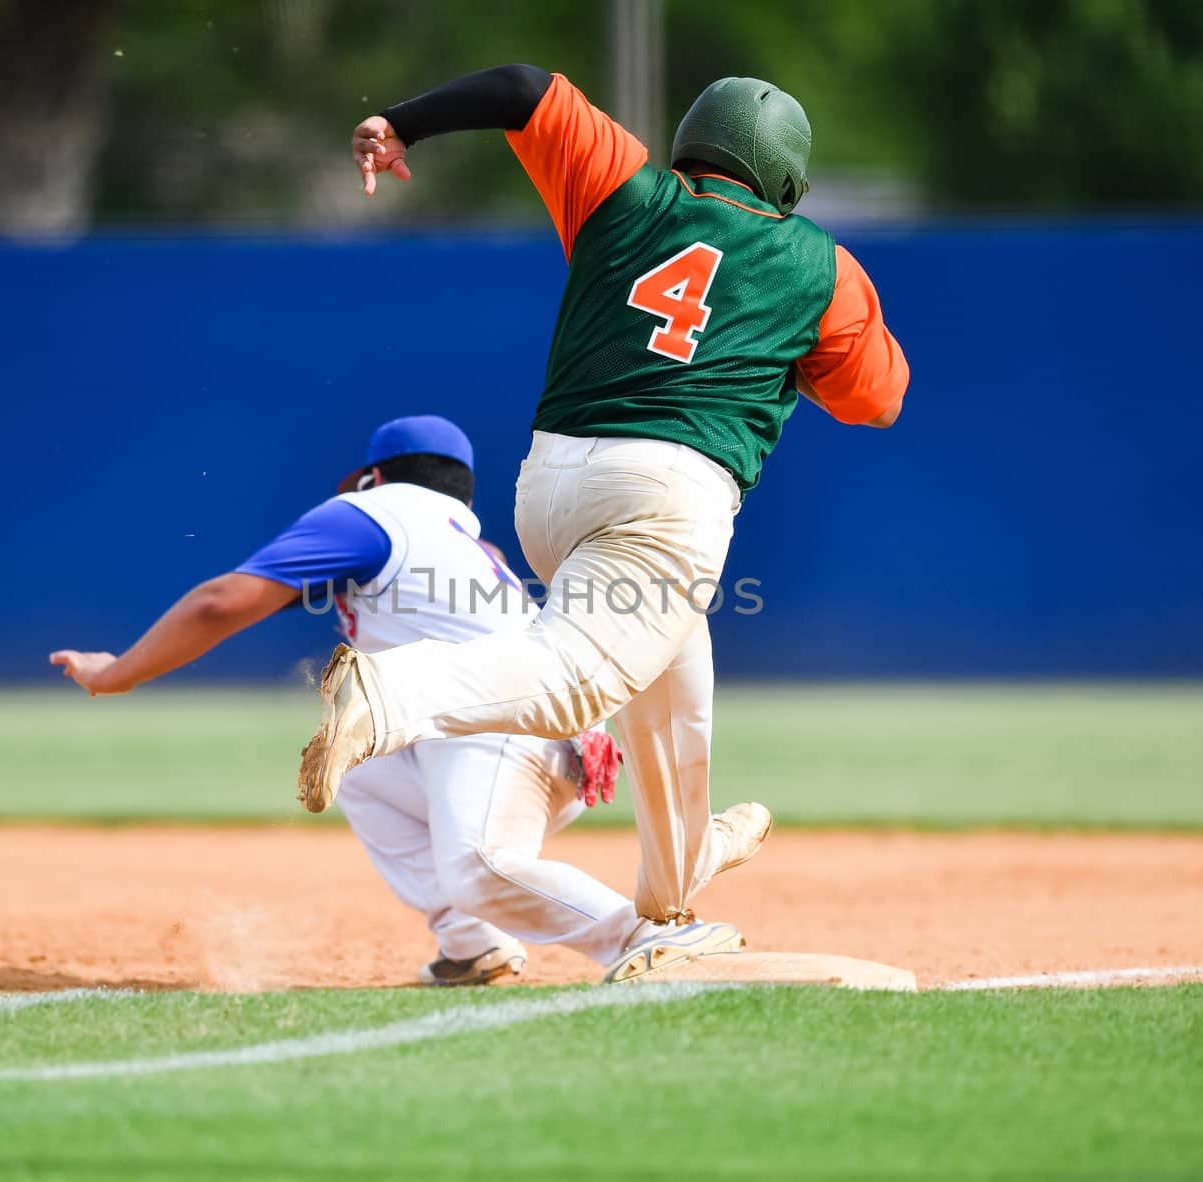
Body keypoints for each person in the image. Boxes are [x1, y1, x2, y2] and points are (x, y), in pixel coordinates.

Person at [300, 67, 909, 979]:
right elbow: (878, 402)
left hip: (554, 482)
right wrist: (791, 349)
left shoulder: (623, 185)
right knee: (576, 682)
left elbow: (520, 87)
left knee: (673, 702)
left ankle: (673, 896)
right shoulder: (820, 265)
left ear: (690, 147)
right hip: (669, 496)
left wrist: (404, 125)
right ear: (787, 186)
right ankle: (388, 698)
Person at [50, 415, 759, 985]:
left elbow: (220, 602)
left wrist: (121, 672)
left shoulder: (373, 513)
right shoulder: (465, 540)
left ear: (374, 476)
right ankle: (473, 943)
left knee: (477, 863)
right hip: (545, 739)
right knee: (356, 760)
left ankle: (651, 939)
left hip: (505, 731)